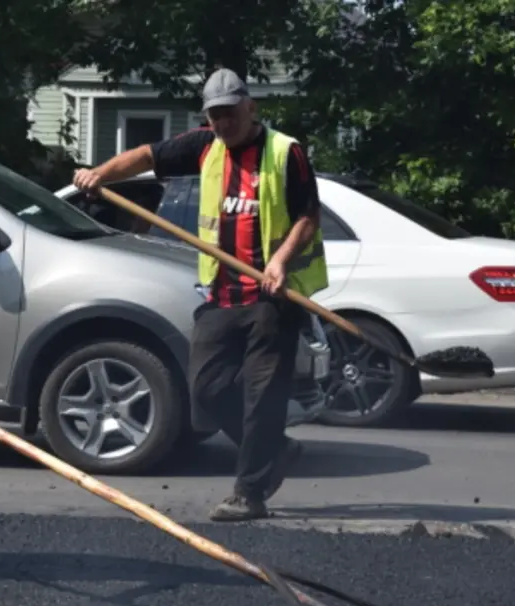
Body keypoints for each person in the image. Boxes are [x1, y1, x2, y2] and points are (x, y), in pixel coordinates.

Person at [72, 68, 328, 522]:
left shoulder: (285, 152)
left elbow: (308, 217)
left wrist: (280, 262)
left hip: (272, 299)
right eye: (215, 116)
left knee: (262, 396)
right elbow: (144, 156)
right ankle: (277, 449)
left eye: (230, 114)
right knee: (206, 393)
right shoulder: (204, 145)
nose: (223, 124)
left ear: (251, 107)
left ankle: (249, 492)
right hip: (222, 293)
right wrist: (99, 175)